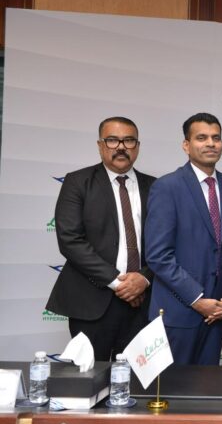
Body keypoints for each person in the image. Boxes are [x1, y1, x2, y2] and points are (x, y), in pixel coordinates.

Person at [46, 116, 155, 361]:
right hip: (92, 302)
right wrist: (119, 283)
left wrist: (144, 279)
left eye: (128, 140)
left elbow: (165, 244)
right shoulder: (77, 182)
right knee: (89, 378)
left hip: (144, 302)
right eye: (113, 140)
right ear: (100, 145)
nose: (121, 147)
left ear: (137, 146)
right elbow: (70, 240)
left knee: (137, 378)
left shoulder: (156, 187)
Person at [144, 113, 222, 365]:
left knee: (207, 385)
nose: (211, 143)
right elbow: (158, 256)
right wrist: (197, 300)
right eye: (202, 138)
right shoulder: (167, 187)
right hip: (178, 313)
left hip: (217, 312)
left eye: (216, 138)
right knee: (173, 386)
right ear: (186, 145)